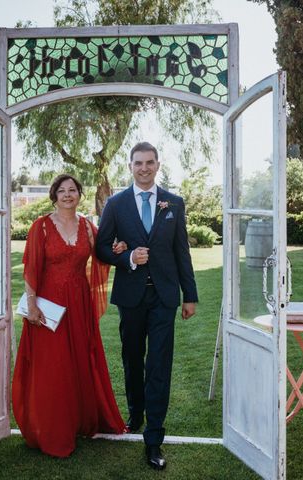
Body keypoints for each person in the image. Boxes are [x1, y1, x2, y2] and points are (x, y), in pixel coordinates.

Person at [96, 142, 198, 471]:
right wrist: (126, 257)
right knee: (132, 359)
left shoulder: (175, 204)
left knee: (158, 365)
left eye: (149, 162)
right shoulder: (116, 204)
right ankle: (136, 413)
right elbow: (100, 248)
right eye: (138, 163)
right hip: (131, 297)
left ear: (157, 164)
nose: (144, 168)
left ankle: (153, 439)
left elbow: (182, 252)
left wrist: (190, 295)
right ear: (130, 166)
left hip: (164, 298)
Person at [12, 174, 127, 457]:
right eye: (61, 191)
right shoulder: (40, 227)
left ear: (79, 194)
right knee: (52, 365)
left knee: (78, 360)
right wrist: (32, 304)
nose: (67, 195)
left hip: (78, 303)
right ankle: (51, 429)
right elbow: (31, 268)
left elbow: (102, 254)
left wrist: (117, 249)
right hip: (48, 305)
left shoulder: (88, 226)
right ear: (54, 196)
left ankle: (78, 420)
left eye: (72, 190)